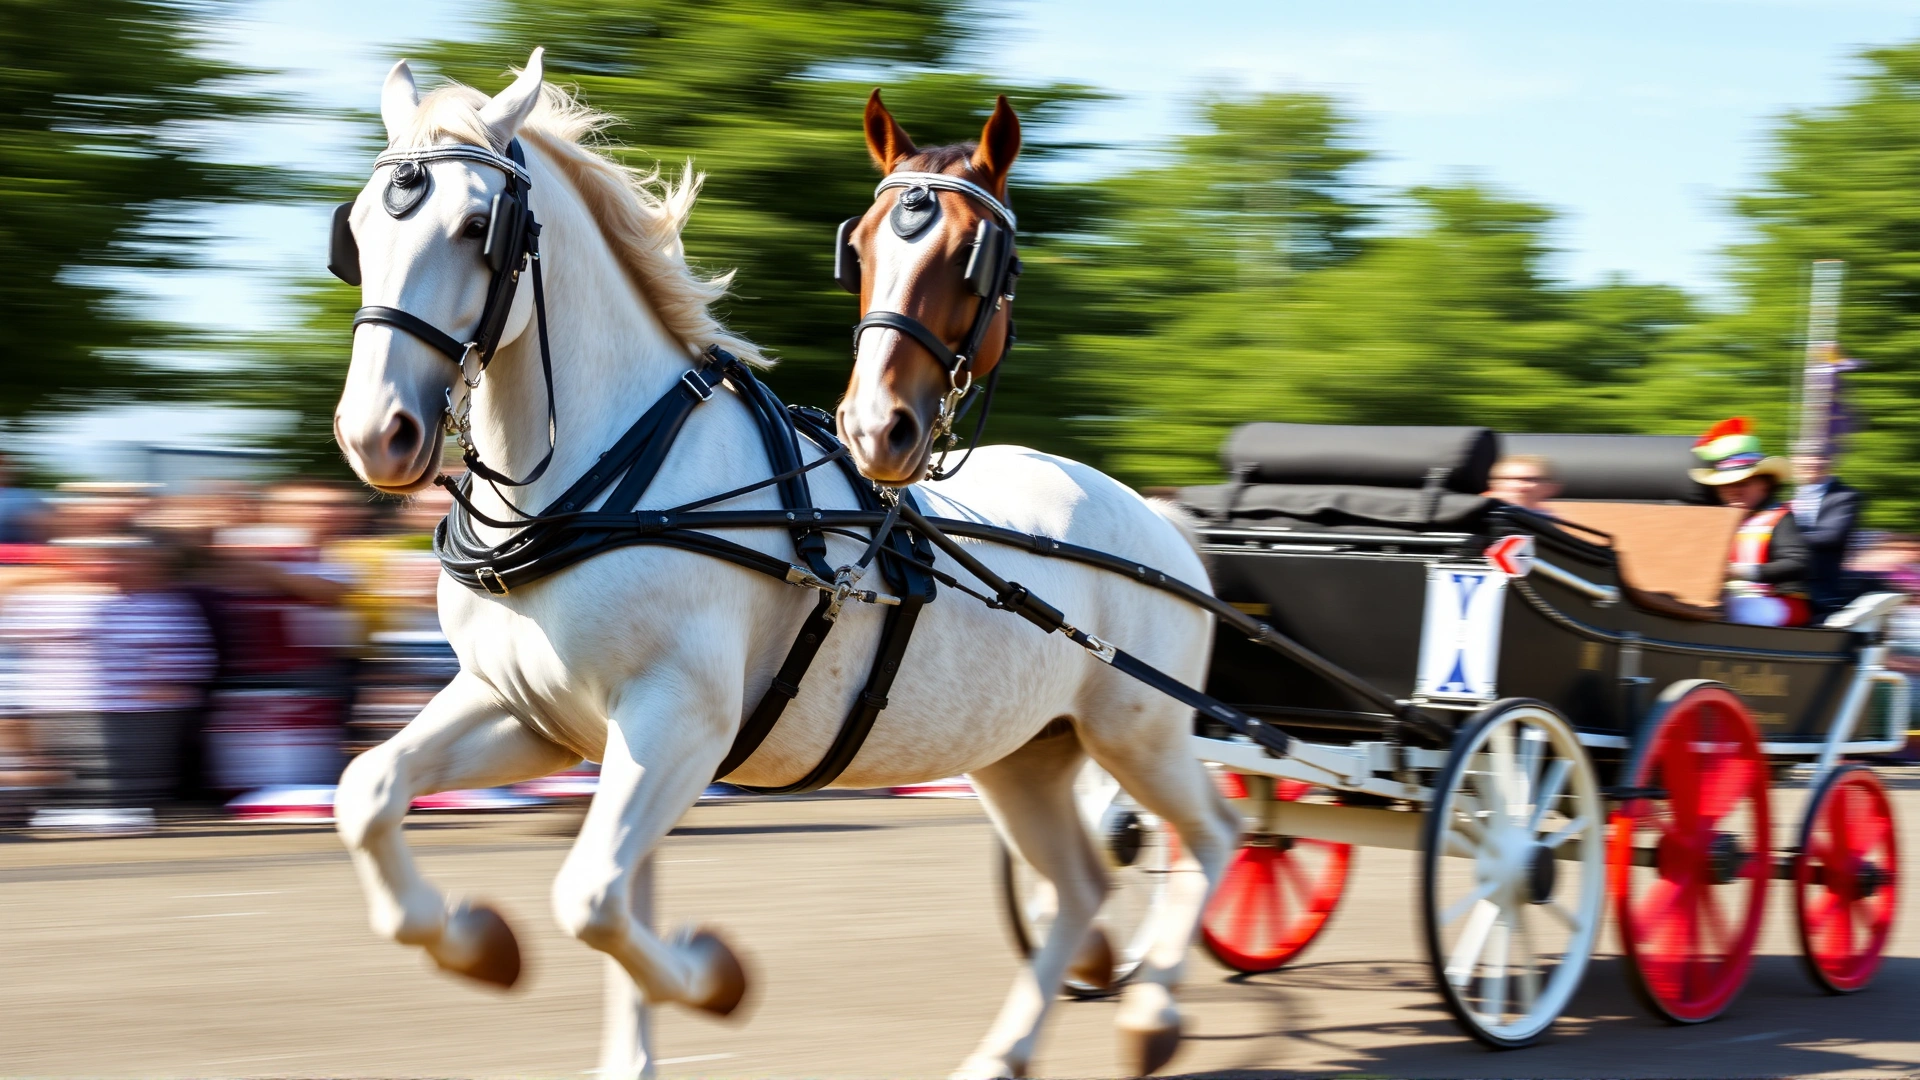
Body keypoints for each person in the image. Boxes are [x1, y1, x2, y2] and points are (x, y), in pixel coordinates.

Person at [1691, 418, 1811, 627]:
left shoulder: (1780, 518)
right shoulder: (1710, 522)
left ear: (1765, 486)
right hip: (1719, 599)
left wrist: (1736, 572)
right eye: (1726, 484)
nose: (1733, 490)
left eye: (1743, 482)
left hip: (1781, 603)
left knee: (1735, 610)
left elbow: (1796, 563)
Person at [1789, 448, 1862, 617]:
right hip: (1785, 584)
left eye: (1818, 457)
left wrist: (1781, 540)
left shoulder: (1845, 496)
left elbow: (1831, 536)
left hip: (1818, 589)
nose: (1811, 462)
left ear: (1829, 462)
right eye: (1805, 456)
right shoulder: (1789, 496)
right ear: (1794, 461)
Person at [1483, 454, 1561, 513]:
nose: (1519, 486)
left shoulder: (1545, 518)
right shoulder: (1476, 513)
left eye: (1530, 480)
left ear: (1551, 488)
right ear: (1493, 484)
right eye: (1509, 479)